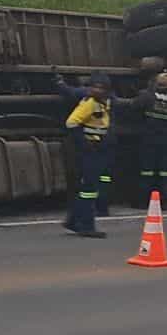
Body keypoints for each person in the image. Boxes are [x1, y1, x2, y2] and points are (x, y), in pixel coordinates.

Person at [63, 73, 113, 238]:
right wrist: (85, 143)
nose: (96, 90)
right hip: (88, 150)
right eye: (94, 87)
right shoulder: (90, 104)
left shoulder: (105, 103)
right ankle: (86, 226)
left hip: (97, 148)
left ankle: (73, 221)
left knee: (90, 187)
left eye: (100, 88)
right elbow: (71, 122)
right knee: (89, 189)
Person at [127, 71, 167, 198]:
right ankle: (164, 200)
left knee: (147, 170)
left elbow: (133, 107)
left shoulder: (147, 96)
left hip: (149, 138)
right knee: (165, 171)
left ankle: (143, 200)